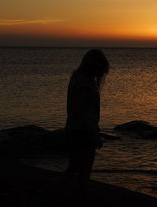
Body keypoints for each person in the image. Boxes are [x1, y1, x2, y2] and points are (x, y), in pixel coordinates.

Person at [61, 49, 109, 205]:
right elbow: (83, 112)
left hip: (74, 129)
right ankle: (78, 198)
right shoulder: (85, 84)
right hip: (83, 132)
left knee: (74, 168)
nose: (101, 74)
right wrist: (94, 134)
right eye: (101, 69)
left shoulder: (76, 79)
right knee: (83, 170)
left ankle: (60, 195)